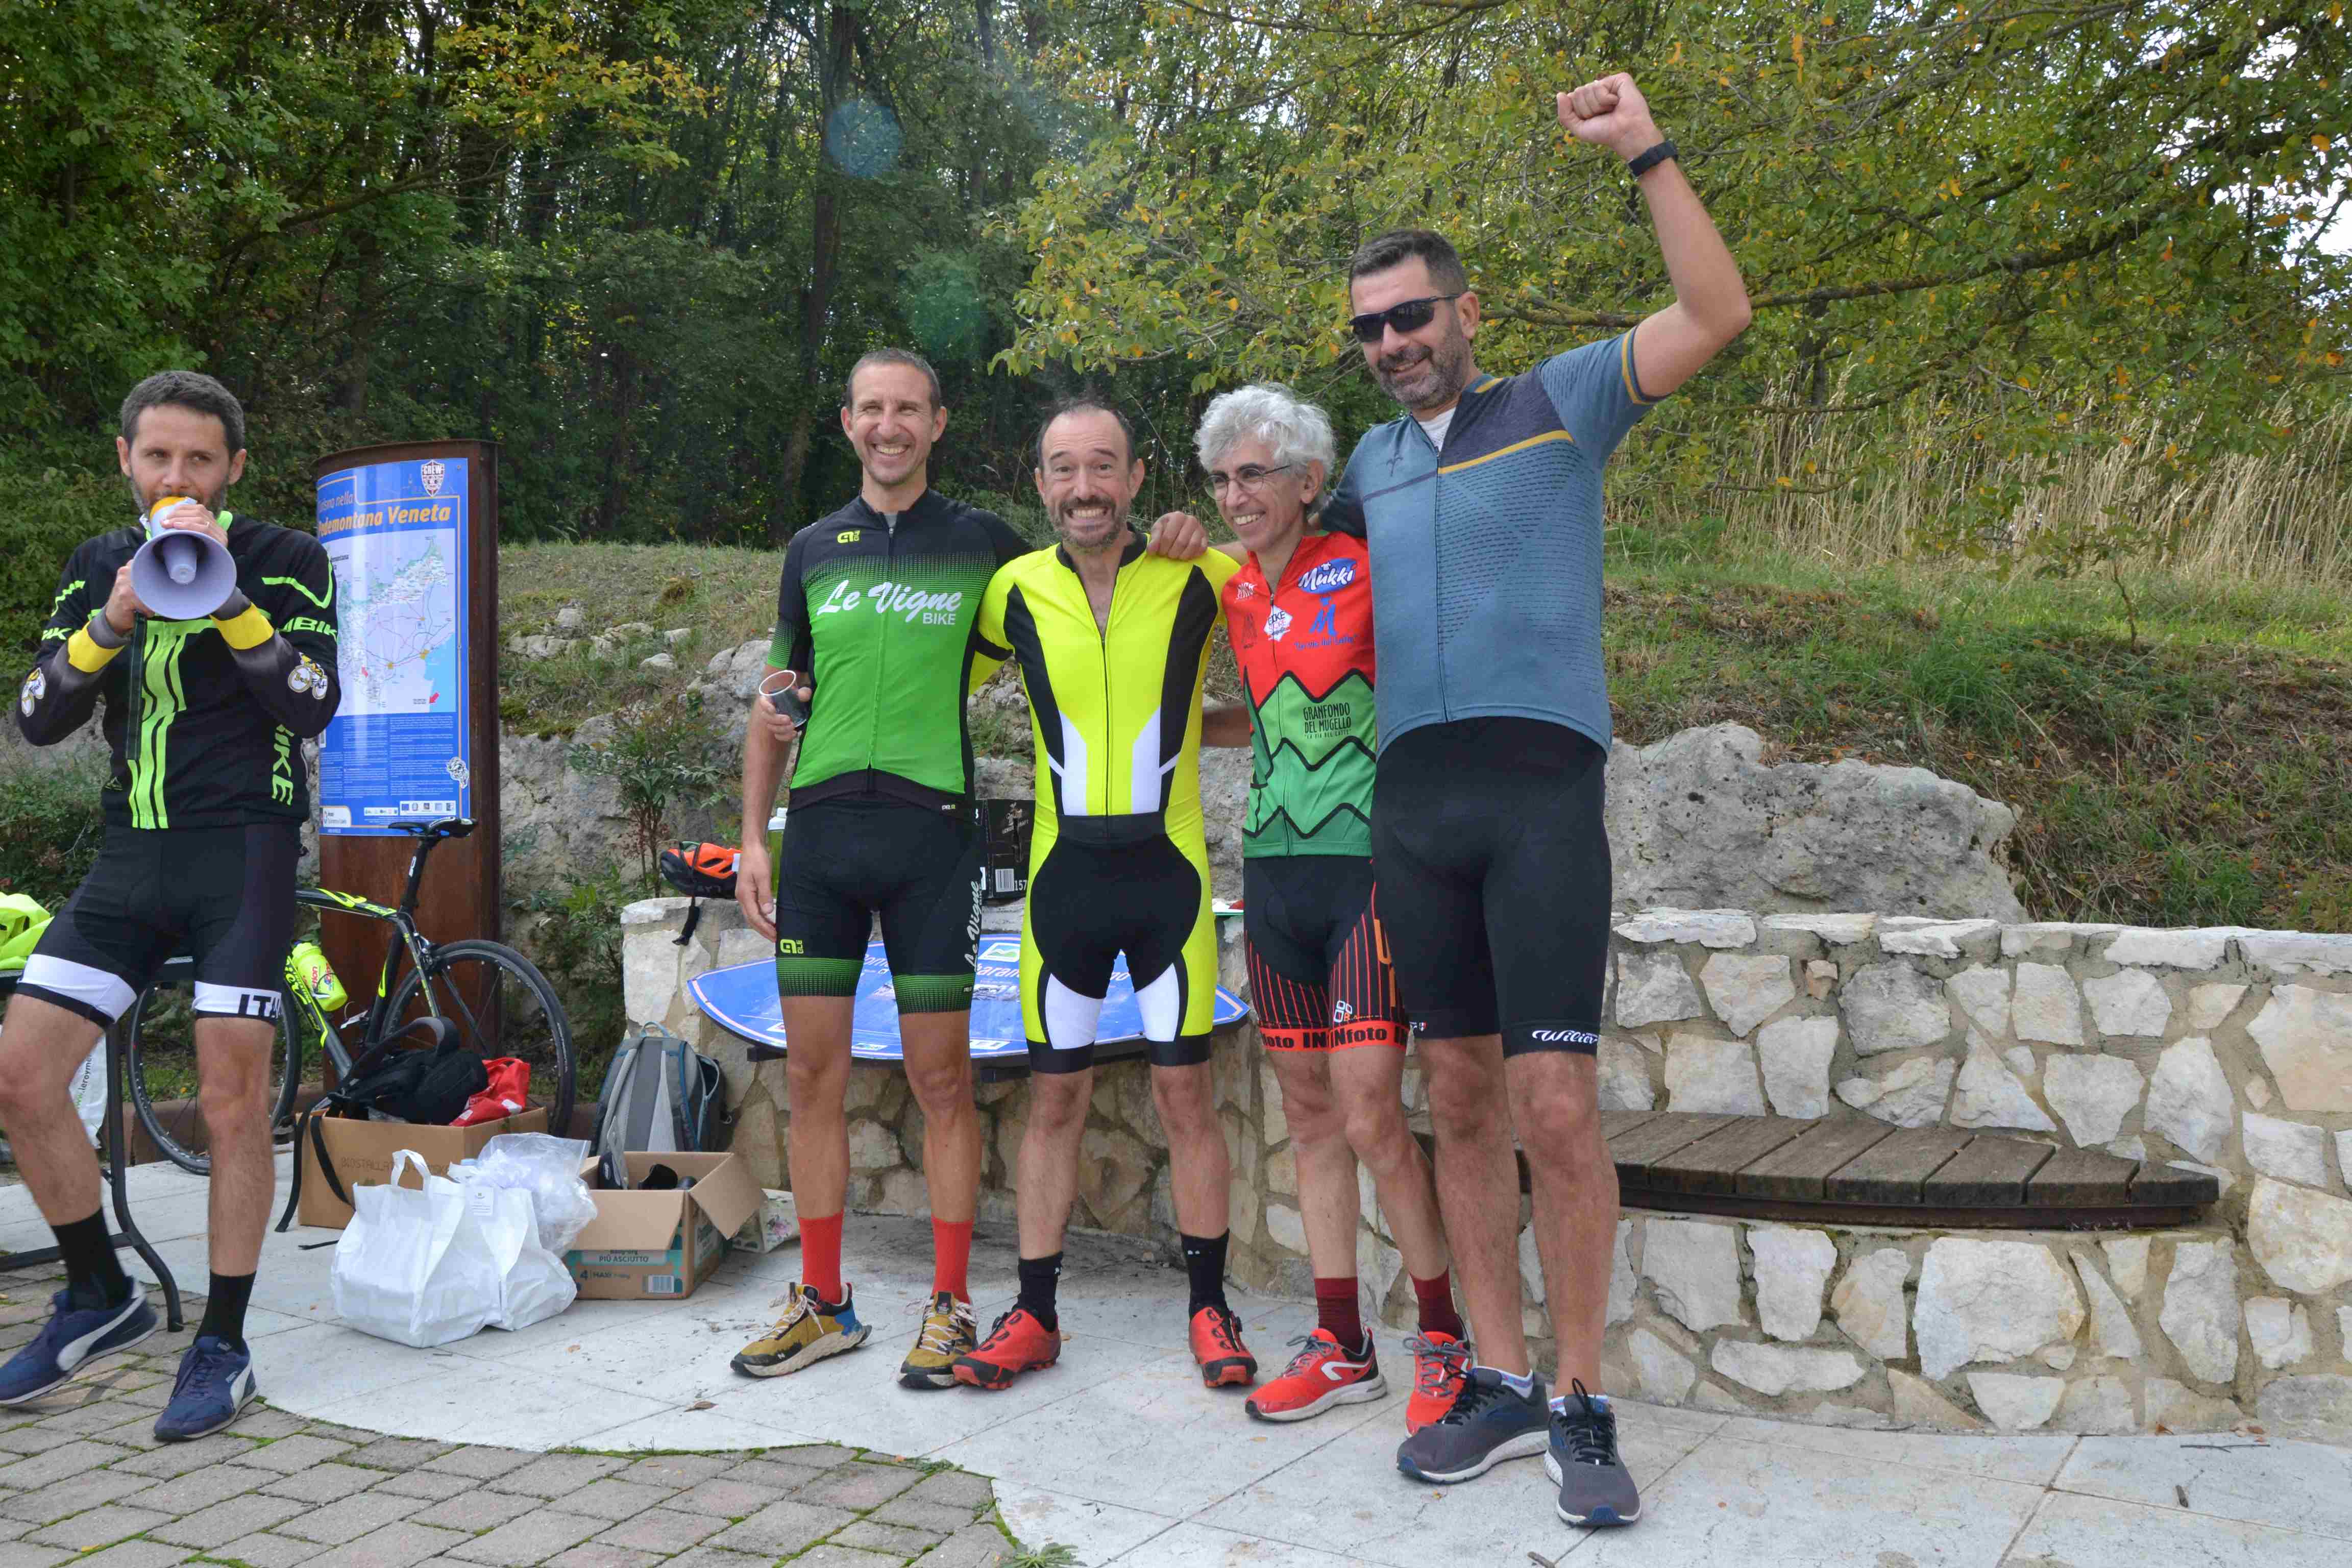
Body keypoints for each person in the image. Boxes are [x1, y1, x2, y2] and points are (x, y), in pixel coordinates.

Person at [1316, 76, 1751, 1527]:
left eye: (1412, 316)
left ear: (1466, 311)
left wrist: (1647, 153)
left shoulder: (1561, 402)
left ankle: (1579, 1398)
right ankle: (1497, 1382)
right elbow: (1279, 570)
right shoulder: (1368, 463)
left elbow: (1716, 314)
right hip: (1414, 807)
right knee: (1456, 1099)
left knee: (1554, 1103)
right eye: (1370, 329)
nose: (1394, 343)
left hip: (1542, 792)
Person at [0, 371, 341, 1440]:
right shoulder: (98, 564)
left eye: (199, 458)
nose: (176, 477)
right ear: (127, 461)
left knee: (233, 1102)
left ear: (234, 466)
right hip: (130, 860)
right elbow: (38, 718)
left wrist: (229, 600)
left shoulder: (287, 558)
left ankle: (223, 1341)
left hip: (242, 855)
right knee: (21, 1075)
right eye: (158, 457)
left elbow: (313, 702)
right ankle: (101, 1294)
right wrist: (111, 619)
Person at [730, 350, 1035, 1389]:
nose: (889, 425)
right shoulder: (813, 549)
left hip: (932, 842)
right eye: (872, 407)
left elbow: (1083, 605)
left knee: (942, 1080)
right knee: (809, 1077)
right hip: (820, 842)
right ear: (849, 422)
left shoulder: (984, 543)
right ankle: (823, 1301)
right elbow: (776, 702)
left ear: (937, 423)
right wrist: (753, 838)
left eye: (908, 408)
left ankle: (950, 1305)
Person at [949, 399, 1255, 1392]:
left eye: (1103, 466)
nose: (1085, 487)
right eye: (1065, 469)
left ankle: (1211, 1308)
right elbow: (923, 685)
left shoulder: (1198, 574)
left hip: (1171, 879)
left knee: (1185, 1095)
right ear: (1040, 483)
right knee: (1055, 1099)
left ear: (1134, 478)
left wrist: (1220, 726)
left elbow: (1305, 644)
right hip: (1063, 883)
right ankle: (1035, 1315)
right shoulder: (1011, 591)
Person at [1187, 384, 1467, 1431]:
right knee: (1308, 1118)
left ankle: (1445, 1339)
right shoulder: (1233, 586)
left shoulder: (1365, 560)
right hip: (1273, 878)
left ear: (1310, 480)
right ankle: (1342, 1343)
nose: (1236, 496)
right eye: (1222, 480)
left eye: (1255, 475)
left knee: (1370, 1115)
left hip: (1368, 876)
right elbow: (1260, 706)